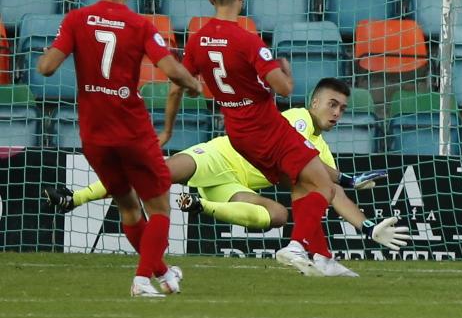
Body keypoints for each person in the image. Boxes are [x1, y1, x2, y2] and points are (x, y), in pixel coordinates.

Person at [173, 0, 410, 276]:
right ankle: (297, 245)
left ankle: (322, 257)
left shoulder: (197, 40)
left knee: (304, 184)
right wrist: (284, 72)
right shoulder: (249, 42)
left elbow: (182, 86)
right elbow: (284, 89)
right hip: (264, 129)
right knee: (320, 185)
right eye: (333, 104)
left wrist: (168, 126)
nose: (337, 113)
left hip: (239, 133)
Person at [47, 78, 391, 277]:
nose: (337, 113)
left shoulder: (324, 153)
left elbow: (333, 191)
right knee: (158, 175)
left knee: (278, 216)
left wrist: (369, 227)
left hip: (235, 185)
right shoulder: (299, 118)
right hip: (219, 156)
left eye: (342, 109)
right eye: (332, 104)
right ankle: (74, 198)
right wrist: (347, 178)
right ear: (314, 102)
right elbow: (333, 179)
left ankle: (202, 204)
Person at [35, 0, 206, 298]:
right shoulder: (140, 24)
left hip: (95, 134)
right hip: (131, 129)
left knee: (128, 206)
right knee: (159, 207)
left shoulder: (76, 19)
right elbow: (170, 68)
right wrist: (194, 84)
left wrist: (56, 51)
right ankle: (142, 279)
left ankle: (162, 272)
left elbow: (46, 68)